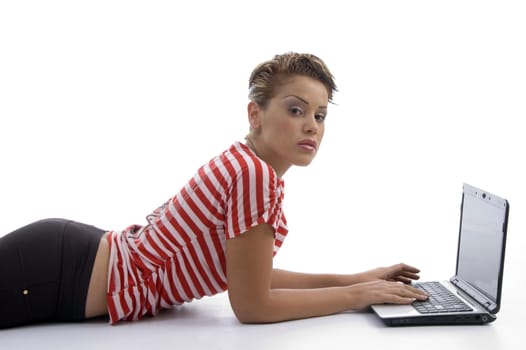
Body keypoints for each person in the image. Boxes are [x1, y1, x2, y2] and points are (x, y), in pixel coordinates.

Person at [0, 52, 428, 329]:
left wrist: (355, 278)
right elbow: (253, 305)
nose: (311, 125)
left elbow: (245, 278)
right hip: (59, 272)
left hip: (71, 261)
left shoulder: (253, 170)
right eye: (295, 110)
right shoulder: (253, 176)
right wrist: (356, 296)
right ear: (255, 115)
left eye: (320, 114)